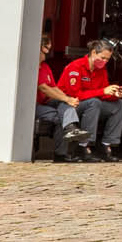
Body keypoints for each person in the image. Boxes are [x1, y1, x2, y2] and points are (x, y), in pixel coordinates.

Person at [54, 38, 122, 161]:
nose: (104, 61)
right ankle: (83, 146)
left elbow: (103, 93)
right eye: (102, 58)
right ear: (93, 52)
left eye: (107, 59)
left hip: (91, 104)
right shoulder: (76, 67)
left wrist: (115, 94)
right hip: (71, 106)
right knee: (94, 102)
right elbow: (75, 95)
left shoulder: (101, 70)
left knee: (120, 104)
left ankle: (106, 145)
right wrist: (103, 91)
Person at [31, 26, 87, 160]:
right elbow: (44, 88)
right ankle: (61, 152)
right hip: (34, 105)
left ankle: (70, 128)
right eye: (46, 48)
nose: (48, 53)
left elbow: (54, 87)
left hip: (46, 103)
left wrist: (68, 99)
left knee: (64, 108)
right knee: (61, 117)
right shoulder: (32, 66)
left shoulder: (45, 67)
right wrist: (67, 99)